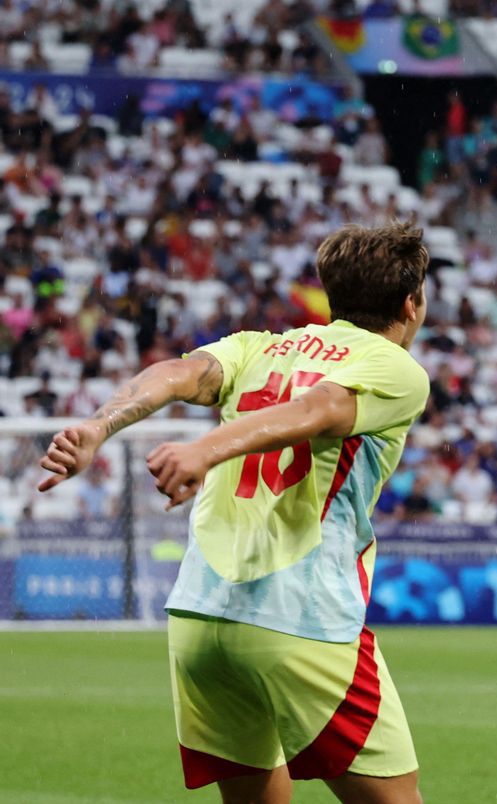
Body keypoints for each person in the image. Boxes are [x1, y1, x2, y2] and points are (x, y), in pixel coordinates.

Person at [37, 223, 432, 804]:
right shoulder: (396, 367)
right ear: (411, 303)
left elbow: (178, 373)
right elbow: (320, 408)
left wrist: (100, 425)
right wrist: (203, 450)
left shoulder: (259, 345)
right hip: (299, 616)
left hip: (200, 617)